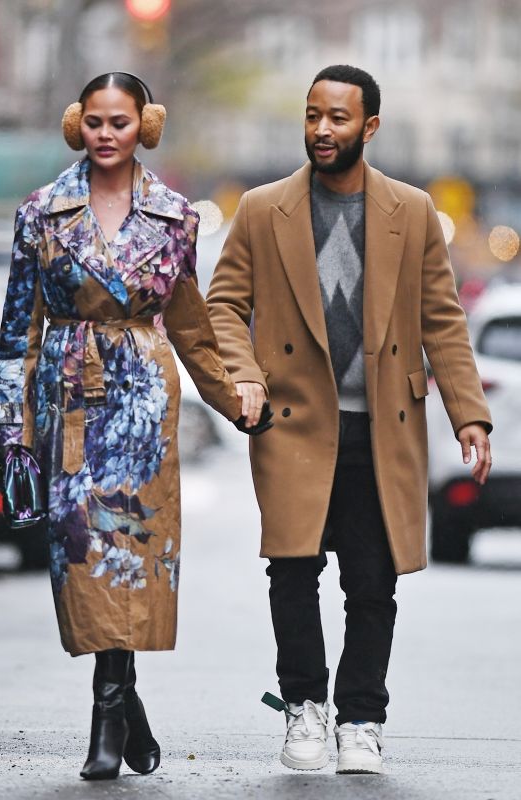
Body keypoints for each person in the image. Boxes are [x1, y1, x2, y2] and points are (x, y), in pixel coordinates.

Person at [206, 64, 492, 775]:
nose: (322, 130)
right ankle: (304, 707)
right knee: (292, 568)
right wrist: (243, 376)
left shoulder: (413, 210)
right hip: (292, 422)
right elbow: (222, 307)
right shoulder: (261, 208)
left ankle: (361, 717)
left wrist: (469, 416)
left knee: (372, 581)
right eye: (312, 116)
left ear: (369, 127)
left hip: (381, 423)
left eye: (337, 118)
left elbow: (443, 321)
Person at [0, 71, 271, 781]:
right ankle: (125, 704)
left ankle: (108, 713)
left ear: (144, 124)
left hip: (144, 402)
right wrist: (12, 422)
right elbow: (16, 329)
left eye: (120, 122)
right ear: (75, 125)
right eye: (94, 122)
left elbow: (192, 325)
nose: (106, 134)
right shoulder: (41, 212)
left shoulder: (175, 216)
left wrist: (233, 397)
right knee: (83, 560)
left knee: (132, 556)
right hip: (69, 400)